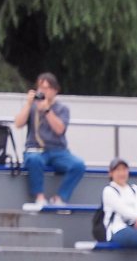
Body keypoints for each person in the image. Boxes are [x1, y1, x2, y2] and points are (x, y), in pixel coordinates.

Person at [15, 73, 86, 211]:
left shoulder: (62, 109)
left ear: (55, 91)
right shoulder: (32, 107)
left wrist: (47, 110)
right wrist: (29, 104)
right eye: (40, 87)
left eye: (47, 88)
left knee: (78, 165)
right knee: (34, 159)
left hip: (58, 150)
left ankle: (60, 198)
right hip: (36, 149)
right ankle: (39, 197)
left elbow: (60, 129)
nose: (43, 91)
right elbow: (18, 124)